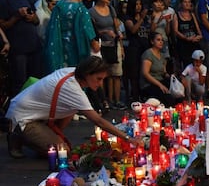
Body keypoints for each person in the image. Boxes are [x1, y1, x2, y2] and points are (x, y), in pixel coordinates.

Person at [5, 56, 141, 158]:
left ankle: (44, 141)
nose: (100, 84)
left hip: (30, 111)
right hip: (22, 118)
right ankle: (18, 136)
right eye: (99, 79)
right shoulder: (72, 89)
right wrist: (128, 138)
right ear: (87, 74)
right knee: (63, 151)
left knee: (71, 111)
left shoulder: (72, 73)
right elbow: (98, 121)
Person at [0, 0, 43, 96]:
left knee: (36, 80)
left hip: (34, 46)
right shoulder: (3, 0)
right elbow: (2, 25)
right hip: (18, 49)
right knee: (19, 82)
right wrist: (16, 17)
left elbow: (37, 21)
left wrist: (32, 17)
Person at [45, 0, 98, 73]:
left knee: (61, 71)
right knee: (75, 70)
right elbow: (87, 29)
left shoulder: (59, 6)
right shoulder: (81, 9)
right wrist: (94, 43)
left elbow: (52, 27)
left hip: (59, 43)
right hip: (75, 45)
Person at [90, 0, 126, 110]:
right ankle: (107, 100)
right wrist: (104, 32)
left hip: (114, 44)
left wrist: (121, 45)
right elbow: (92, 31)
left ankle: (117, 100)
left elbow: (116, 27)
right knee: (105, 75)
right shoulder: (92, 12)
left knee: (116, 73)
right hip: (101, 46)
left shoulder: (111, 9)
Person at [124, 0, 150, 101]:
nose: (138, 7)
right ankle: (134, 97)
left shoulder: (145, 18)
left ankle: (144, 95)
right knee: (134, 74)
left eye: (140, 4)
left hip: (145, 48)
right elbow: (133, 30)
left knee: (144, 73)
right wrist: (141, 19)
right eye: (136, 4)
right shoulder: (128, 18)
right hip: (134, 48)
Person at [140, 32, 175, 107]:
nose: (161, 42)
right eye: (158, 40)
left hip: (160, 80)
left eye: (162, 40)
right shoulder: (148, 54)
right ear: (152, 41)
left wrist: (169, 76)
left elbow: (163, 71)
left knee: (176, 92)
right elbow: (145, 73)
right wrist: (160, 85)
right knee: (168, 99)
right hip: (149, 83)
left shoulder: (162, 55)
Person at [173, 0, 202, 70]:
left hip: (194, 43)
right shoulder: (176, 15)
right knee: (186, 66)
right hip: (183, 45)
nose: (187, 4)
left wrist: (199, 35)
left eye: (189, 2)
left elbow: (197, 28)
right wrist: (186, 38)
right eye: (185, 2)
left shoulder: (192, 15)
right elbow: (175, 31)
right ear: (181, 3)